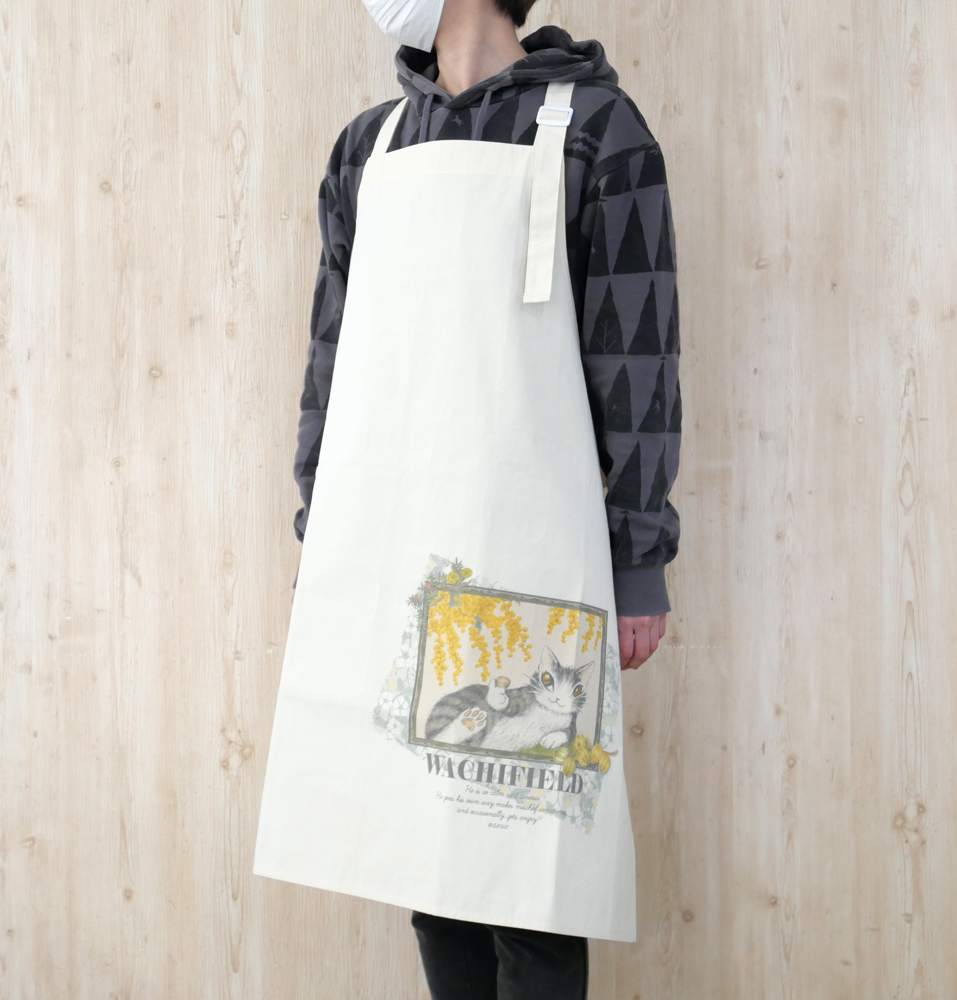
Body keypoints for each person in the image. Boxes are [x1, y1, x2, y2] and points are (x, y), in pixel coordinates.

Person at [253, 1, 682, 997]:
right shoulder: (369, 147)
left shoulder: (597, 132)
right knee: (429, 866)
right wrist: (322, 531)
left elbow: (639, 357)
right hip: (393, 546)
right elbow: (331, 357)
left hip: (529, 554)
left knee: (526, 876)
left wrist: (639, 557)